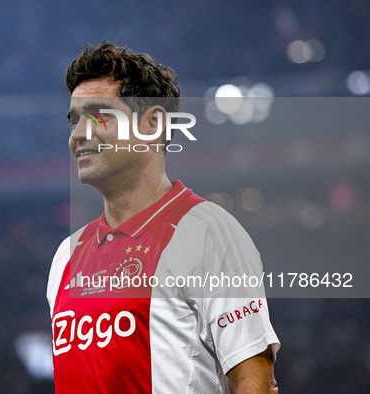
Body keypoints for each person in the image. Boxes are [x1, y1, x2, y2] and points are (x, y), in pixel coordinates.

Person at [47, 41, 280, 394]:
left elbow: (254, 380)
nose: (79, 135)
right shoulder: (65, 256)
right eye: (75, 120)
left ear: (153, 123)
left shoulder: (207, 233)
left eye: (99, 116)